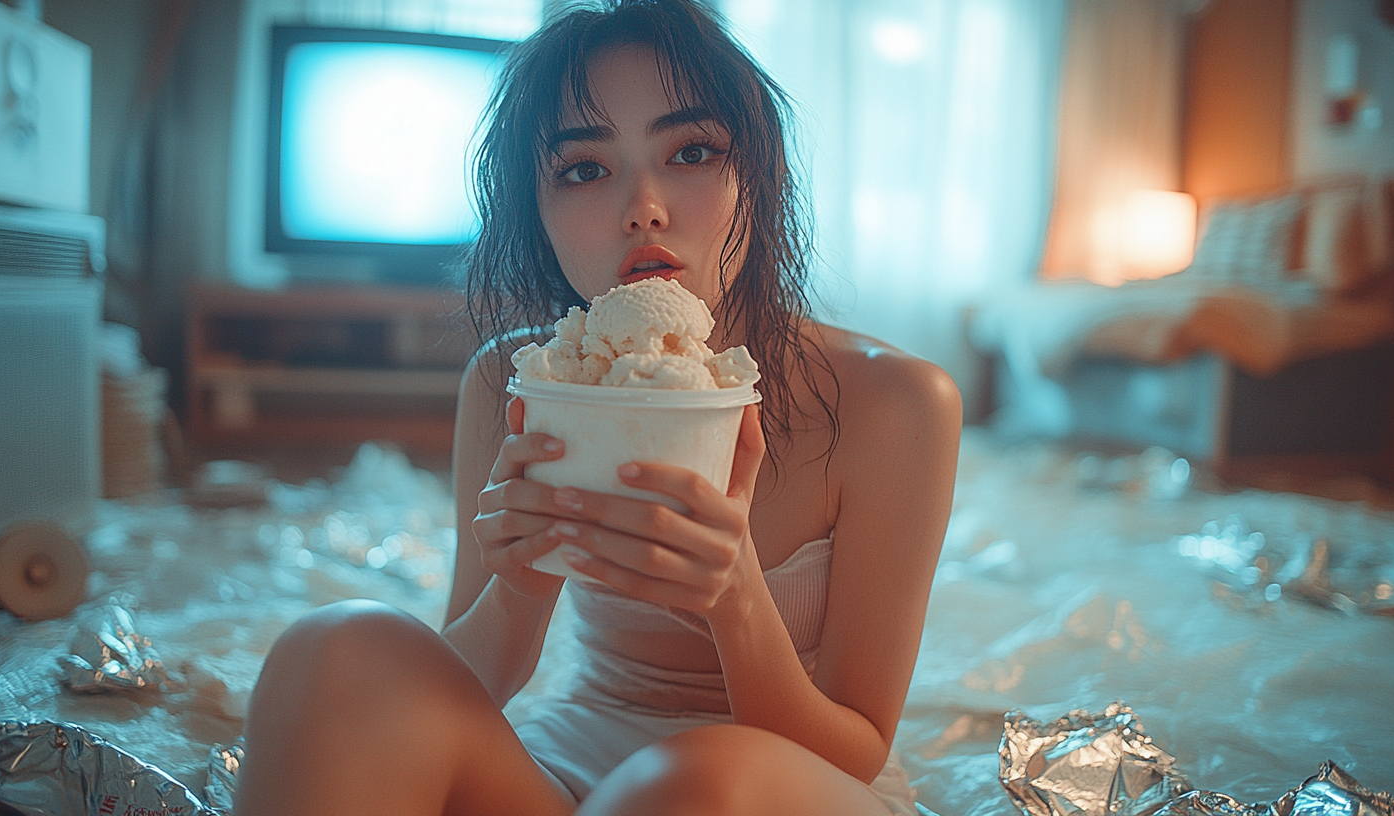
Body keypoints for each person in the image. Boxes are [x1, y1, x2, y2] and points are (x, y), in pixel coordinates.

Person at [234, 1, 961, 814]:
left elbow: (856, 748)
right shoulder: (516, 380)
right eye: (583, 168)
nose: (643, 206)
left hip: (781, 780)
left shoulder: (895, 401)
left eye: (691, 151)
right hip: (574, 772)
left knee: (698, 782)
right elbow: (462, 687)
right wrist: (520, 582)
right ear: (536, 215)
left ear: (761, 177)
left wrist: (736, 598)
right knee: (337, 648)